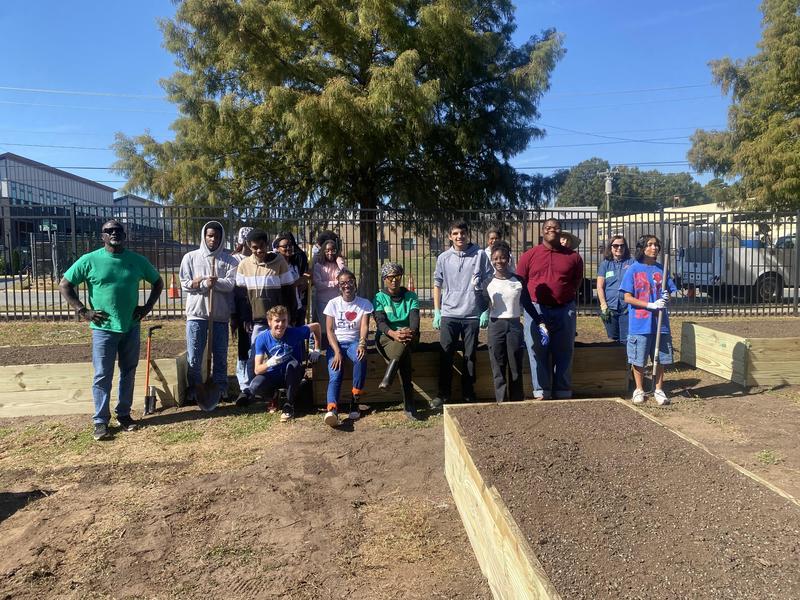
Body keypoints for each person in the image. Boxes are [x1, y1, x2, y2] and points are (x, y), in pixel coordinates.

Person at [58, 220, 164, 441]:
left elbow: (158, 282)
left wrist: (146, 307)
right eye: (109, 231)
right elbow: (65, 284)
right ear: (102, 236)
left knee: (128, 371)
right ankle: (100, 421)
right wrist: (83, 311)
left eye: (118, 230)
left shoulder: (136, 261)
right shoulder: (90, 260)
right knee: (102, 375)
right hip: (103, 329)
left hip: (130, 326)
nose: (114, 233)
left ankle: (123, 414)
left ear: (124, 235)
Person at [516, 218, 584, 400]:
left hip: (564, 309)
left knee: (564, 349)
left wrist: (563, 295)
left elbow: (576, 282)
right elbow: (520, 282)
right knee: (537, 349)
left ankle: (562, 390)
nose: (552, 230)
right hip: (537, 310)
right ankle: (541, 390)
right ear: (542, 231)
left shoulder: (574, 257)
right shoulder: (529, 255)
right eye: (548, 227)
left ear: (561, 231)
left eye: (556, 227)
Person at [432, 219, 493, 407]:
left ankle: (468, 392)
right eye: (456, 233)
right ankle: (443, 394)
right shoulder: (443, 258)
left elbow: (490, 282)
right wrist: (437, 311)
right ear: (450, 236)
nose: (460, 237)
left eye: (463, 233)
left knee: (470, 356)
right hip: (449, 314)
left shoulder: (480, 255)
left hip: (472, 315)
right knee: (446, 355)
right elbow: (437, 284)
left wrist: (486, 310)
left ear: (468, 235)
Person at [235, 228, 298, 406]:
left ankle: (285, 389)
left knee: (282, 355)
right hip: (257, 321)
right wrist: (245, 317)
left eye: (262, 246)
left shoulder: (279, 262)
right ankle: (251, 390)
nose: (259, 251)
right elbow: (241, 296)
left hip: (278, 321)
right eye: (255, 248)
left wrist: (289, 317)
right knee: (255, 354)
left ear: (267, 244)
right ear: (249, 246)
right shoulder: (244, 265)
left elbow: (288, 292)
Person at [179, 221, 238, 404]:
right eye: (210, 235)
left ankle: (220, 387)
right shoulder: (191, 257)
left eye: (217, 236)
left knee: (220, 354)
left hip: (219, 315)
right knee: (195, 354)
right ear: (204, 236)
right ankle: (195, 388)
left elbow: (230, 284)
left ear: (222, 239)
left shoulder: (229, 260)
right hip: (197, 314)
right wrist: (204, 284)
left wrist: (215, 283)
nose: (213, 239)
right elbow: (185, 283)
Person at [620, 235, 677, 406]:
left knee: (660, 357)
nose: (654, 248)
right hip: (640, 323)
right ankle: (639, 389)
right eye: (650, 245)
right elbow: (627, 298)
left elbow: (670, 294)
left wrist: (667, 297)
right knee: (638, 358)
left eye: (656, 245)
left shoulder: (662, 269)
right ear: (642, 248)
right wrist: (649, 305)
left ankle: (658, 389)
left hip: (661, 323)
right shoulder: (633, 269)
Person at [482, 242, 541, 403]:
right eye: (495, 258)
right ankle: (501, 401)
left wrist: (540, 322)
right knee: (498, 365)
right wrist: (481, 295)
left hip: (514, 325)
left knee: (515, 365)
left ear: (508, 259)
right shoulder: (487, 282)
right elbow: (481, 305)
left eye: (502, 258)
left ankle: (516, 400)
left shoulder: (518, 280)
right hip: (496, 326)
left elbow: (528, 304)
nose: (499, 261)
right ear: (491, 260)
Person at [250, 305, 322, 422]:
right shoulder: (262, 338)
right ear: (269, 322)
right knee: (255, 386)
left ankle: (289, 404)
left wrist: (317, 349)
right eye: (277, 321)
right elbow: (257, 370)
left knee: (292, 365)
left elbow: (316, 327)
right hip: (274, 375)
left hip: (293, 373)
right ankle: (274, 396)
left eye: (284, 321)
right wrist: (269, 363)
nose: (281, 325)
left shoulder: (294, 332)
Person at [324, 269, 373, 427]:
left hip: (353, 343)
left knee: (360, 357)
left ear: (355, 283)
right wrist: (337, 351)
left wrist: (362, 343)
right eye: (342, 283)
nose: (346, 286)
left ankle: (355, 399)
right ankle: (332, 409)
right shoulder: (333, 304)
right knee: (335, 374)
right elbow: (329, 331)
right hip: (336, 344)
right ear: (339, 286)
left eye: (349, 282)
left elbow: (364, 326)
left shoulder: (364, 303)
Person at [373, 262, 420, 419]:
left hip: (409, 336)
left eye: (398, 276)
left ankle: (388, 377)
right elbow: (380, 322)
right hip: (387, 338)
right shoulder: (380, 297)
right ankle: (409, 405)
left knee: (404, 341)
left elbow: (414, 320)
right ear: (384, 279)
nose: (394, 280)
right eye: (390, 277)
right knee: (404, 354)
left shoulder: (411, 296)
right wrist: (394, 334)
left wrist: (408, 331)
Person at [596, 235, 634, 344]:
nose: (619, 248)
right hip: (610, 308)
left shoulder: (632, 263)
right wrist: (604, 306)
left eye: (622, 245)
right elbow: (600, 286)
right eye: (615, 245)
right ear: (610, 248)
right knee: (612, 339)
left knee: (626, 340)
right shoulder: (605, 265)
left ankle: (626, 361)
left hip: (627, 308)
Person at [231, 226, 253, 394]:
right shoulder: (235, 259)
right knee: (244, 342)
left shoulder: (257, 258)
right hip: (241, 305)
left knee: (255, 343)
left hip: (256, 305)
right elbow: (234, 287)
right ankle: (243, 380)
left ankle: (253, 375)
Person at [273, 231, 310, 326]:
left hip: (297, 305)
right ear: (277, 249)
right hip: (285, 307)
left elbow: (298, 285)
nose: (288, 248)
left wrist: (303, 283)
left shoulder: (294, 265)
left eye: (290, 245)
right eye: (285, 246)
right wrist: (299, 281)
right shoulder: (276, 267)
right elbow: (283, 286)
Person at [312, 238, 346, 327]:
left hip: (337, 300)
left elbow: (344, 278)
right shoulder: (318, 266)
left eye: (333, 250)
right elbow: (318, 284)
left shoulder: (338, 265)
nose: (330, 253)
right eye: (327, 250)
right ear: (323, 251)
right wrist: (334, 283)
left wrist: (340, 263)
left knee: (337, 326)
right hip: (323, 301)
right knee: (324, 326)